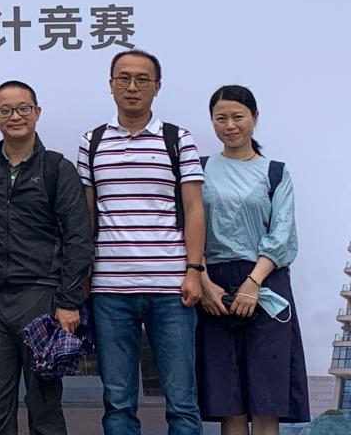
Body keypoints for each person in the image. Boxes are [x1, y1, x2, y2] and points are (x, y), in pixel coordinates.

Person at [77, 50, 205, 435]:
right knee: (118, 402)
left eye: (142, 79)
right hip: (110, 290)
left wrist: (194, 271)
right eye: (124, 78)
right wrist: (84, 277)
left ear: (157, 87)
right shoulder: (92, 141)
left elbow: (194, 208)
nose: (132, 87)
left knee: (182, 401)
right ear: (111, 84)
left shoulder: (177, 139)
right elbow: (87, 216)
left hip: (172, 289)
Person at [0, 80, 93, 435]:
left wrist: (69, 301)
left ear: (37, 112)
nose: (15, 116)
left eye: (23, 108)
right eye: (6, 110)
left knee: (44, 408)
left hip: (42, 297)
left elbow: (78, 237)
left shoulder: (57, 168)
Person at [196, 84, 310, 432]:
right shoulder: (199, 170)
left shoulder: (276, 173)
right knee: (228, 401)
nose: (230, 125)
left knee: (266, 401)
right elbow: (189, 228)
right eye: (221, 118)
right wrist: (203, 281)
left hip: (266, 282)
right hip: (214, 286)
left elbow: (282, 234)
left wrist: (252, 283)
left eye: (238, 116)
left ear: (255, 118)